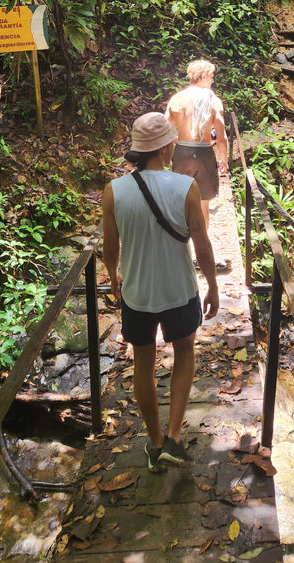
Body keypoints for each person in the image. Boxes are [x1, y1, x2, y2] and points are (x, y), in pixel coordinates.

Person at [102, 112, 219, 471]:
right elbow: (201, 244)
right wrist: (213, 285)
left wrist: (113, 277)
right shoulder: (185, 187)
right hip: (179, 289)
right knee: (184, 351)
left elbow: (110, 248)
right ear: (165, 147)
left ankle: (154, 443)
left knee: (143, 362)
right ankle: (173, 438)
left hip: (137, 293)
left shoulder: (114, 191)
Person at [165, 59, 228, 230]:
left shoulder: (176, 99)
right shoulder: (212, 100)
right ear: (205, 76)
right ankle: (201, 250)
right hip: (204, 155)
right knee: (202, 205)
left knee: (181, 202)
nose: (213, 81)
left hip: (182, 154)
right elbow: (221, 138)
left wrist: (176, 139)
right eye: (212, 76)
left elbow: (164, 128)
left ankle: (181, 247)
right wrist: (224, 160)